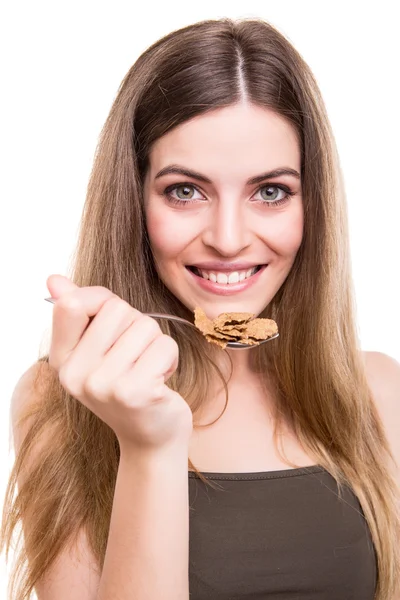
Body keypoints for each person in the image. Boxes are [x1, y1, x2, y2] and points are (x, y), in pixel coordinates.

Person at [1, 16, 399, 600]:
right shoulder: (62, 402)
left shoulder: (379, 391)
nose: (229, 238)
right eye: (185, 190)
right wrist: (149, 444)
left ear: (311, 204)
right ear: (134, 201)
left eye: (271, 191)